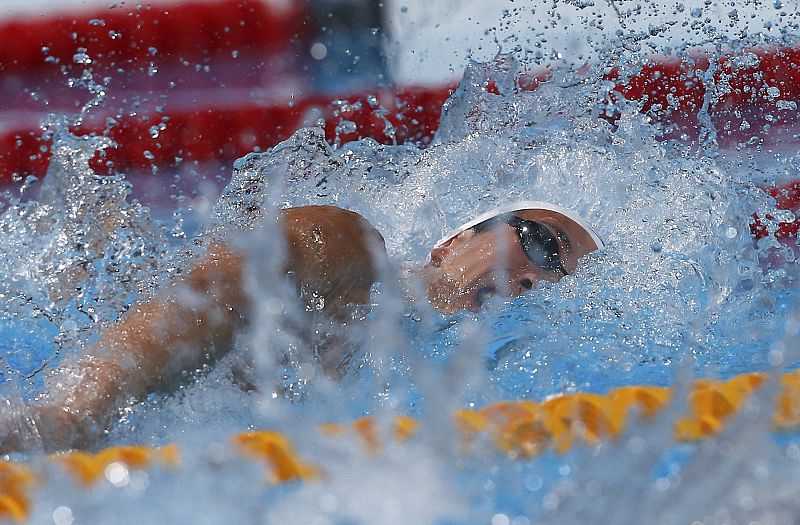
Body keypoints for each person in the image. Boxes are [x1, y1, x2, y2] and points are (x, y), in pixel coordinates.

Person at [0, 201, 602, 454]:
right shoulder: (351, 251)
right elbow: (218, 288)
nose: (536, 280)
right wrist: (71, 418)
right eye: (542, 245)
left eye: (558, 280)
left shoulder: (426, 384)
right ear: (457, 239)